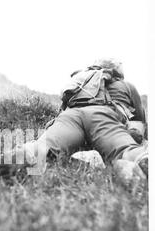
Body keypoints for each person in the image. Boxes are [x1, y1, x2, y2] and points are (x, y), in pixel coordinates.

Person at [16, 58, 148, 176]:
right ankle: (140, 159)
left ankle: (7, 161)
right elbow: (139, 120)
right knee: (124, 150)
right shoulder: (126, 85)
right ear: (117, 73)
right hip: (101, 115)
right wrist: (136, 137)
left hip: (70, 116)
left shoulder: (81, 81)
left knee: (41, 148)